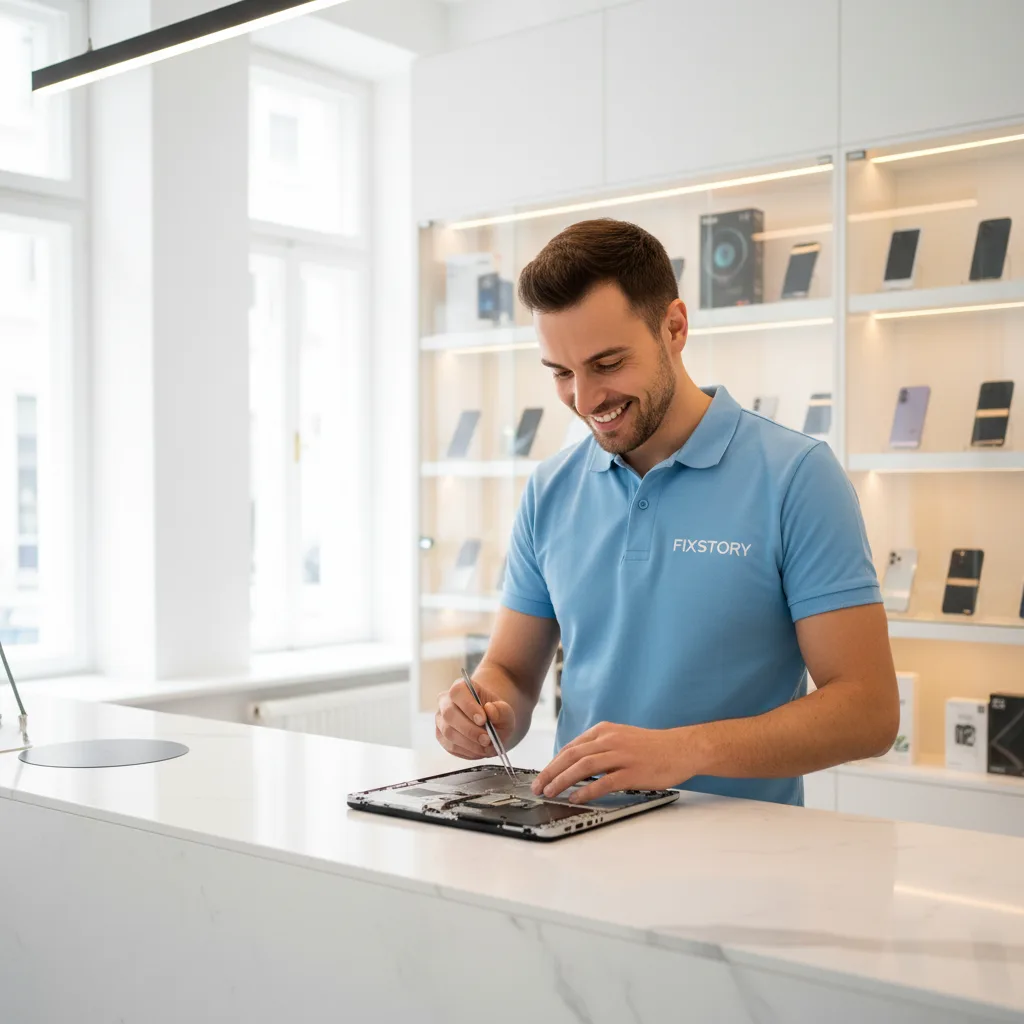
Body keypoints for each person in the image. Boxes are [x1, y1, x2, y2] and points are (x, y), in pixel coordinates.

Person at [434, 218, 898, 806]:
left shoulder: (798, 476)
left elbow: (869, 710)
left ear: (674, 328)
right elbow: (511, 673)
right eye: (560, 373)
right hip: (574, 847)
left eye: (606, 364)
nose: (583, 400)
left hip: (746, 865)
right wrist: (481, 709)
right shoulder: (550, 488)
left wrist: (681, 752)